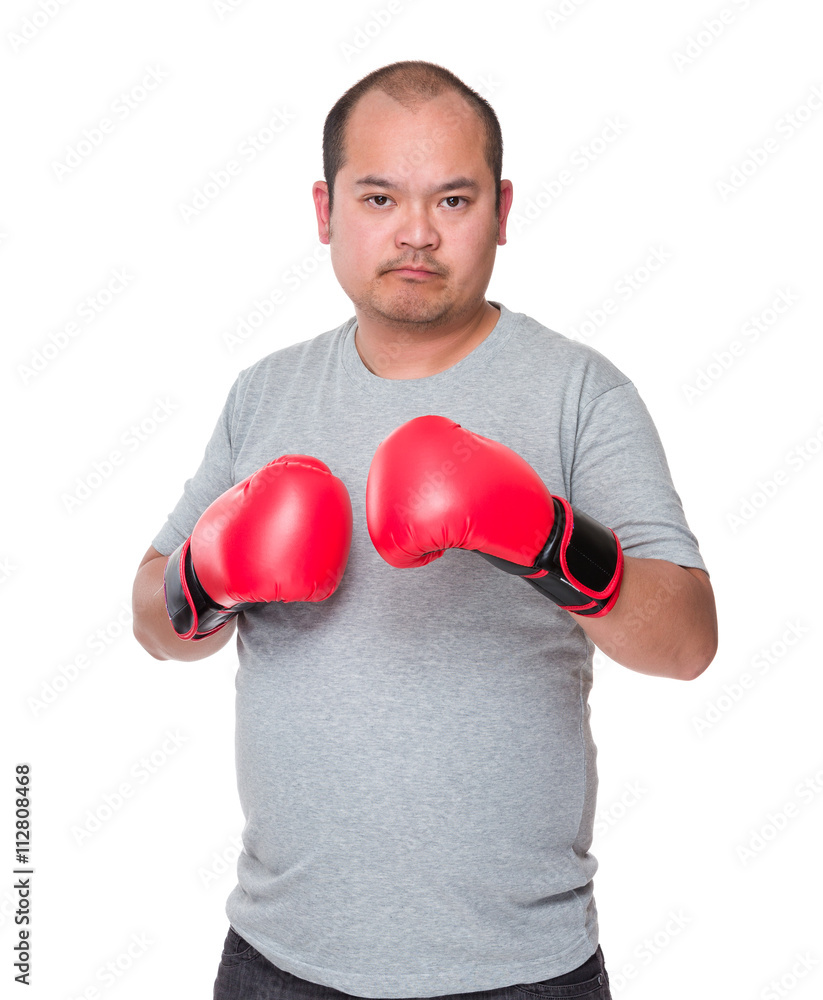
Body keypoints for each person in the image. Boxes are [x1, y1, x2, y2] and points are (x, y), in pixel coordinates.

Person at [132, 60, 717, 1000]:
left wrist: (544, 538)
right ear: (325, 211)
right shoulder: (265, 393)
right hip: (278, 959)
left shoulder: (579, 392)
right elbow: (151, 623)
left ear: (501, 209)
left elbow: (686, 644)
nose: (416, 232)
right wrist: (204, 577)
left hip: (520, 969)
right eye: (379, 198)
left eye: (452, 198)